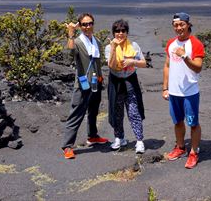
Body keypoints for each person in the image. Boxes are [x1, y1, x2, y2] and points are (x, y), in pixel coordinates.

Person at [61, 13, 109, 159]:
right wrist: (70, 33)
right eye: (84, 24)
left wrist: (100, 77)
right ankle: (67, 146)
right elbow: (68, 55)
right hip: (82, 84)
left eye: (90, 23)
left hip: (96, 83)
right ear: (80, 26)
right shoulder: (77, 42)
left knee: (93, 111)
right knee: (76, 113)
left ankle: (93, 136)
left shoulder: (97, 42)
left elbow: (98, 62)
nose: (88, 26)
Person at [162, 12, 205, 169]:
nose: (178, 28)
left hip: (190, 92)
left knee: (193, 123)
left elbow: (198, 67)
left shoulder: (195, 44)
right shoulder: (171, 44)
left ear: (188, 25)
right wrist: (165, 87)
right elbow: (167, 65)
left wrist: (185, 56)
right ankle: (180, 147)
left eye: (181, 24)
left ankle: (194, 152)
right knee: (178, 121)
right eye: (175, 25)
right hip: (174, 92)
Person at [105, 19, 147, 154]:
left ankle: (139, 140)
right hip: (115, 82)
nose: (120, 33)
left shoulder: (134, 46)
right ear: (114, 33)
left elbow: (143, 63)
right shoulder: (109, 47)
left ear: (127, 32)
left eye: (123, 31)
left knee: (134, 111)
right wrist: (113, 48)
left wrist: (131, 61)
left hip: (130, 81)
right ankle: (119, 138)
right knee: (117, 112)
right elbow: (111, 65)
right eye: (117, 31)